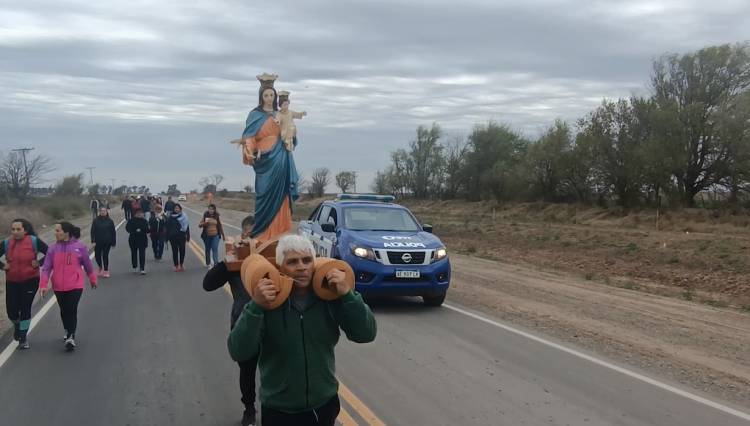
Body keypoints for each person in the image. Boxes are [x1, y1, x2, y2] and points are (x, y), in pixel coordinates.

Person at [228, 234, 377, 425]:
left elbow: (366, 334)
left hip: (324, 405)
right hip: (279, 410)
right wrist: (255, 306)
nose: (301, 267)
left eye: (307, 260)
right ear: (280, 267)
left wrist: (348, 295)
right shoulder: (266, 300)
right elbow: (239, 351)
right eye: (292, 262)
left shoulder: (329, 297)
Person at [203, 215, 257, 425]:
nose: (254, 240)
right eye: (251, 234)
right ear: (243, 235)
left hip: (275, 324)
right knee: (247, 369)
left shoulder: (277, 257)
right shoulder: (235, 262)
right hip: (244, 321)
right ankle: (249, 408)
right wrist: (228, 261)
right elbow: (208, 284)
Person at [239, 74, 299, 242]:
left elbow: (290, 131)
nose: (269, 98)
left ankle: (281, 233)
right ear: (261, 96)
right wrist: (249, 150)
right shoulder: (255, 115)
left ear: (275, 96)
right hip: (264, 159)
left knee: (283, 194)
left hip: (281, 156)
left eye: (271, 95)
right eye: (265, 95)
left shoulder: (280, 114)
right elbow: (249, 137)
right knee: (264, 193)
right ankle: (262, 233)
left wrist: (292, 134)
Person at [39, 222, 97, 351]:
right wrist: (43, 285)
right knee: (64, 310)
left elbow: (88, 265)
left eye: (58, 230)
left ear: (66, 232)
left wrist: (92, 279)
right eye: (55, 230)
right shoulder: (52, 249)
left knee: (71, 308)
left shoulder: (79, 247)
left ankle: (71, 336)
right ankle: (67, 329)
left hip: (75, 285)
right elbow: (46, 268)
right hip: (58, 286)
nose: (55, 233)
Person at [0, 219, 49, 349]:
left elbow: (50, 253)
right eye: (13, 229)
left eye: (18, 229)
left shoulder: (33, 241)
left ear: (25, 230)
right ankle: (17, 325)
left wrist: (39, 262)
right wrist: (2, 265)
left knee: (25, 308)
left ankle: (23, 337)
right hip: (12, 281)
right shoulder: (6, 243)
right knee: (12, 311)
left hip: (30, 281)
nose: (15, 232)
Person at [90, 207, 116, 278]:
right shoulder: (95, 221)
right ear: (99, 212)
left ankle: (106, 270)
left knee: (105, 256)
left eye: (104, 211)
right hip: (98, 241)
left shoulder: (110, 221)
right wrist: (93, 240)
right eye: (101, 211)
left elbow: (113, 232)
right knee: (97, 256)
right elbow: (92, 231)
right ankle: (100, 267)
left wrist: (113, 242)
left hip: (107, 241)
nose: (103, 212)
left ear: (106, 212)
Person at [199, 204, 226, 268]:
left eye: (212, 209)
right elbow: (199, 225)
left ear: (214, 210)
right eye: (210, 209)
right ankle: (208, 263)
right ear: (208, 209)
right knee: (207, 249)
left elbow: (220, 225)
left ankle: (216, 264)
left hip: (215, 235)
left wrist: (223, 235)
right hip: (207, 236)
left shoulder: (216, 216)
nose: (211, 210)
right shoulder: (205, 215)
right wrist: (204, 224)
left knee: (215, 249)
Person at [165, 203, 190, 272]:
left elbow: (187, 227)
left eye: (178, 208)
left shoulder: (184, 217)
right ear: (173, 209)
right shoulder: (170, 217)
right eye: (175, 208)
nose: (176, 209)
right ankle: (176, 265)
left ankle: (181, 264)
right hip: (173, 237)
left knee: (182, 251)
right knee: (175, 251)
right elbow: (167, 228)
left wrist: (188, 236)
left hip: (181, 236)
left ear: (180, 209)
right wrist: (166, 238)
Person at [126, 209, 149, 275]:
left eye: (141, 213)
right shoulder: (131, 220)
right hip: (133, 239)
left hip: (142, 239)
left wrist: (141, 231)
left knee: (142, 254)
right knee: (134, 253)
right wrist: (134, 231)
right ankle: (135, 266)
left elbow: (148, 230)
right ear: (135, 214)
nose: (139, 214)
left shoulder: (145, 221)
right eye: (138, 213)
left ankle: (142, 268)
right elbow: (127, 228)